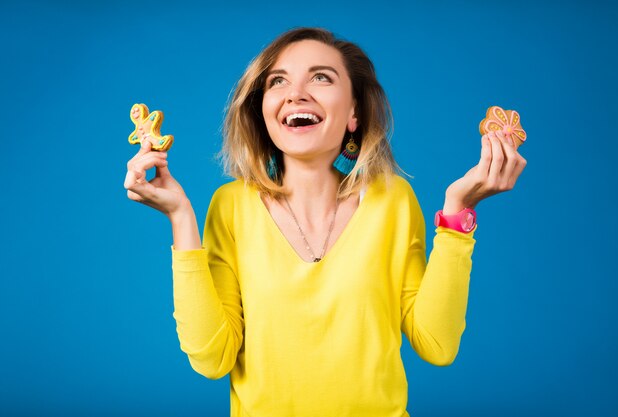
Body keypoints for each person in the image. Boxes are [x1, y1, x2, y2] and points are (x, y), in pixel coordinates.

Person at [124, 27, 526, 417]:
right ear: (263, 109)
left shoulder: (393, 200)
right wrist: (180, 217)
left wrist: (458, 213)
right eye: (278, 81)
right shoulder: (230, 206)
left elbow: (437, 344)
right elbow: (212, 358)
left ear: (354, 112)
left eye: (321, 77)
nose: (296, 93)